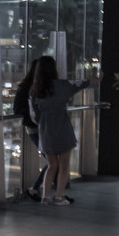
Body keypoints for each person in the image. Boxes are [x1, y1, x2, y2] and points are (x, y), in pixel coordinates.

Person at [29, 56, 100, 205]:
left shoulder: (35, 90)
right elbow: (85, 83)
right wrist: (98, 78)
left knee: (51, 164)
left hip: (45, 130)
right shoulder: (62, 85)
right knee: (64, 164)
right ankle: (59, 197)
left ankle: (45, 197)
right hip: (62, 127)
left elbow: (34, 115)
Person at [14, 58, 47, 201]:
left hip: (35, 127)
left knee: (52, 160)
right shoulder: (37, 87)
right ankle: (34, 188)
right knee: (53, 160)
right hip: (37, 127)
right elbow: (18, 109)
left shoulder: (26, 86)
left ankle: (35, 189)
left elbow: (17, 109)